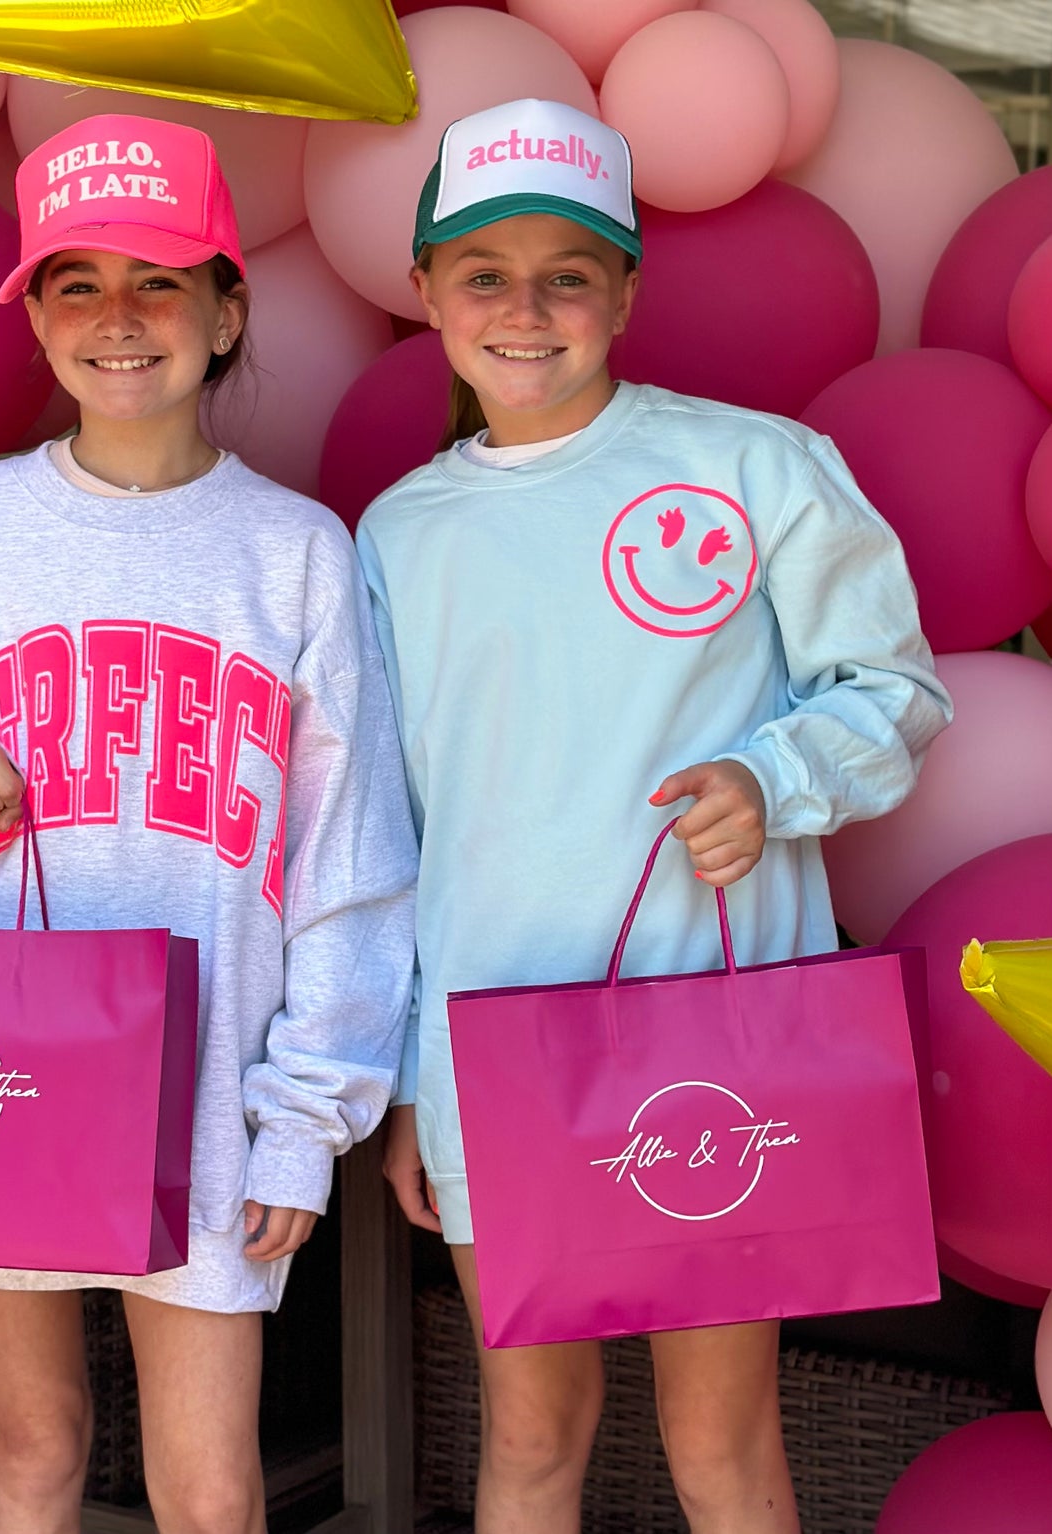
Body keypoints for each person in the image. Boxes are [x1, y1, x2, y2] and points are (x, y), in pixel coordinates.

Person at [0, 113, 418, 1534]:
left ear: (226, 307)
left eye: (157, 279)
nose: (118, 319)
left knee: (209, 1487)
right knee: (30, 1446)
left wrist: (299, 1120)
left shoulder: (296, 555)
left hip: (211, 1083)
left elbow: (351, 852)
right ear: (34, 318)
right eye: (75, 282)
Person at [355, 97, 953, 1534]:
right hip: (492, 1052)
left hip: (716, 1040)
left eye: (568, 270)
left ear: (624, 290)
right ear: (425, 292)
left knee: (725, 1446)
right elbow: (387, 831)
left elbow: (893, 689)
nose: (526, 305)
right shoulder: (397, 532)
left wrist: (772, 777)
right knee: (529, 1443)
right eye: (482, 271)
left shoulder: (752, 470)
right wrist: (402, 1085)